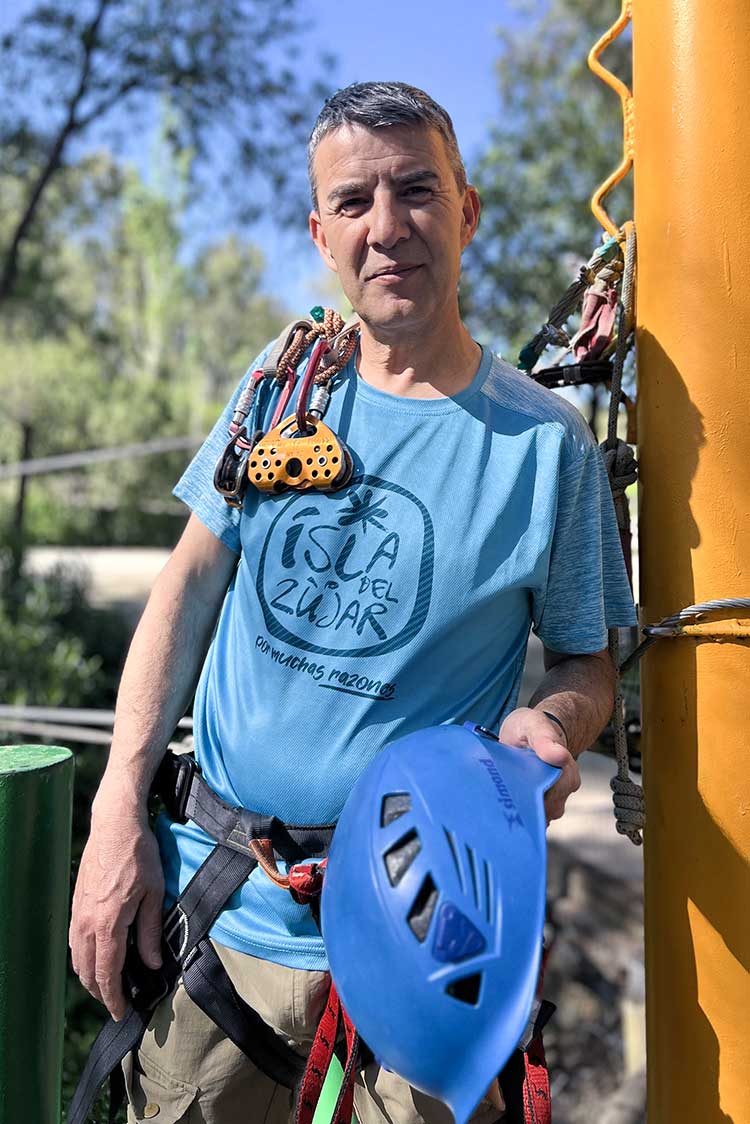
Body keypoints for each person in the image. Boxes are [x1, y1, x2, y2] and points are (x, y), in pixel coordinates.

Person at [69, 81, 636, 1124]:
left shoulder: (546, 446)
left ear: (467, 209)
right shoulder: (284, 385)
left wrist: (551, 724)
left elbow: (584, 665)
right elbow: (188, 586)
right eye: (355, 200)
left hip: (426, 946)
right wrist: (116, 817)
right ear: (321, 231)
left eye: (417, 190)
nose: (388, 227)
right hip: (221, 920)